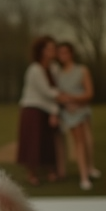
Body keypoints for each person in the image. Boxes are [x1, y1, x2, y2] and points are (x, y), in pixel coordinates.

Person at [16, 36, 62, 186]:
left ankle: (51, 172)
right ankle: (32, 175)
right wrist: (65, 98)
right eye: (49, 48)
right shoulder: (34, 70)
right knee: (33, 142)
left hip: (47, 110)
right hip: (32, 109)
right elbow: (46, 92)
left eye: (54, 48)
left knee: (48, 142)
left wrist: (54, 111)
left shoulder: (54, 68)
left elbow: (56, 90)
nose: (53, 51)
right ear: (41, 51)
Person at [55, 42, 102, 190]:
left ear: (71, 53)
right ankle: (84, 178)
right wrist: (66, 102)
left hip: (83, 110)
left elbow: (89, 94)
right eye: (60, 53)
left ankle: (89, 168)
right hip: (69, 113)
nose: (63, 55)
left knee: (88, 140)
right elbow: (58, 96)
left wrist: (73, 99)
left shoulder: (82, 70)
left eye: (66, 52)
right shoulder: (58, 74)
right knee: (79, 142)